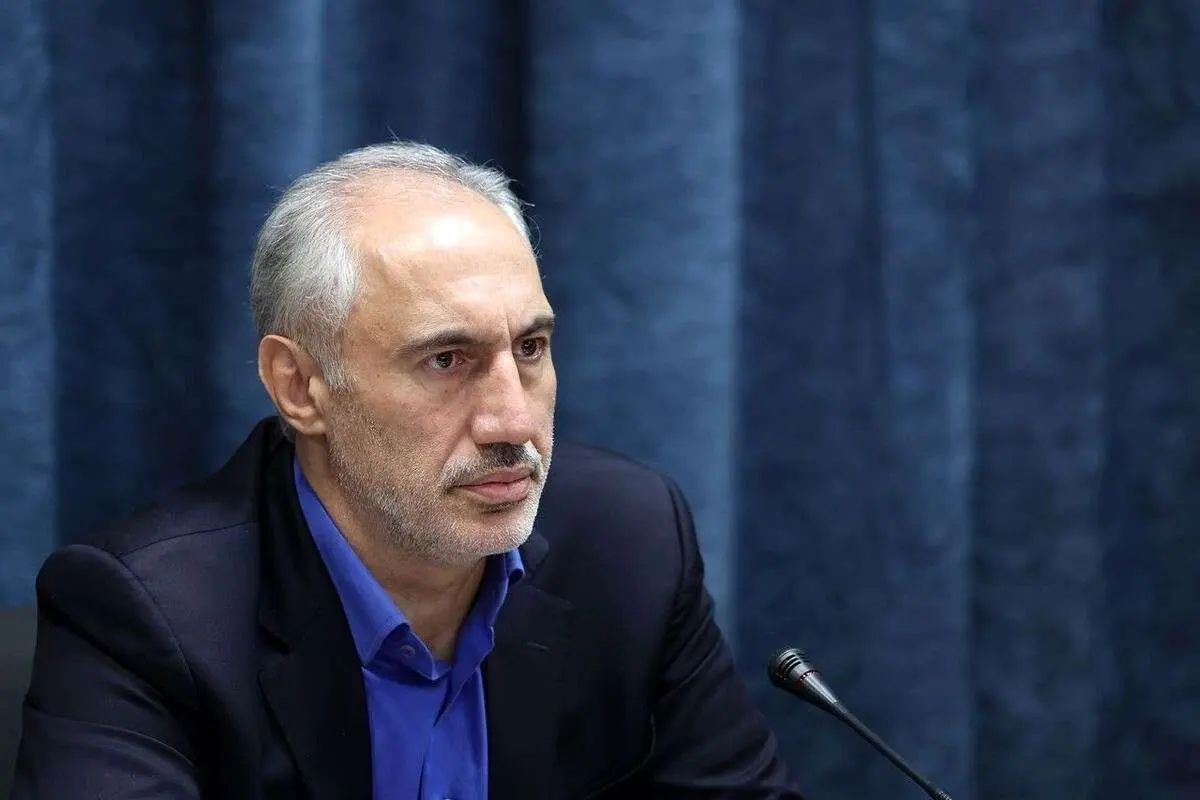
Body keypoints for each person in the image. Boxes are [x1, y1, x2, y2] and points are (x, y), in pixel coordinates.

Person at [14, 142, 803, 798]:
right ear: (301, 387)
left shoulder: (628, 542)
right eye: (446, 359)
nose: (514, 423)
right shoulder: (147, 617)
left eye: (530, 348)